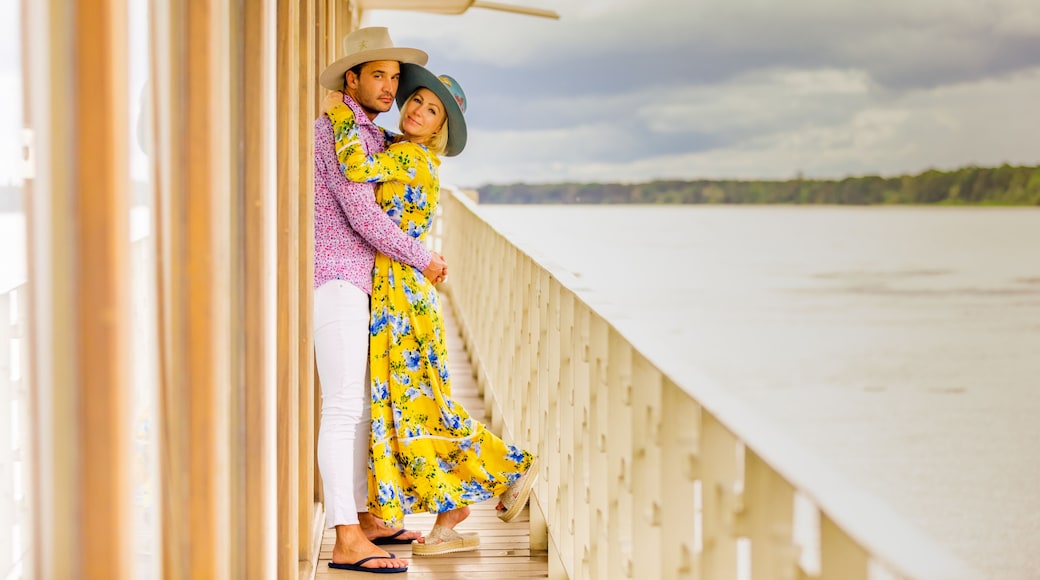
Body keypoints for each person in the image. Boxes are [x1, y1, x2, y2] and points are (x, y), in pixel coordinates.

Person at [322, 63, 538, 557]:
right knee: (410, 401)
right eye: (416, 100)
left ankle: (509, 465)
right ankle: (449, 515)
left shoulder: (413, 158)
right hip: (394, 287)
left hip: (403, 293)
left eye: (432, 109)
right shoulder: (401, 150)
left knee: (421, 400)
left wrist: (337, 118)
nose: (418, 110)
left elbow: (354, 169)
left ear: (441, 127)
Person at [313, 27, 448, 574]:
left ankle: (367, 519)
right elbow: (365, 216)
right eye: (379, 76)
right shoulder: (337, 129)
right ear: (353, 78)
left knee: (363, 405)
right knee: (343, 407)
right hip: (336, 277)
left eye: (395, 77)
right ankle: (346, 538)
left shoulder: (369, 133)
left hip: (362, 282)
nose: (390, 87)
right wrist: (423, 257)